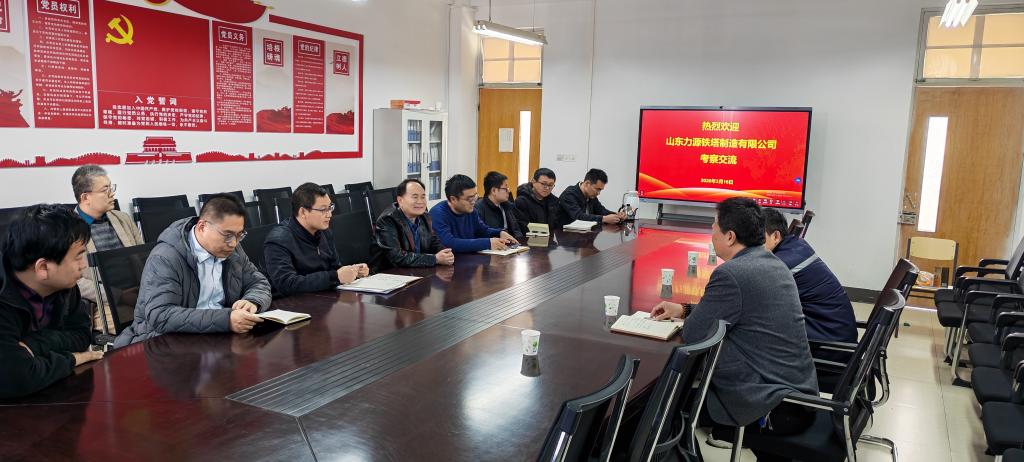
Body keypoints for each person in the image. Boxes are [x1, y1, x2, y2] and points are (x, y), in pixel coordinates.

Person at [650, 198, 818, 459]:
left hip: (771, 403)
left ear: (729, 237)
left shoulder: (733, 273)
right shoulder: (771, 262)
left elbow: (694, 334)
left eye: (714, 226)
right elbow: (734, 308)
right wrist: (684, 309)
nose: (711, 232)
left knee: (665, 404)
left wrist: (690, 318)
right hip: (797, 394)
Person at [113, 195, 272, 347]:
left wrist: (252, 301)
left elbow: (259, 282)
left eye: (239, 235)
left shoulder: (233, 249)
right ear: (202, 227)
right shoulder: (166, 257)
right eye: (227, 235)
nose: (233, 243)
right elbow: (161, 315)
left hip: (217, 336)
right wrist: (226, 319)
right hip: (166, 340)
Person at [0, 204, 103, 399]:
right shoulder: (4, 295)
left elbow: (82, 336)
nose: (83, 265)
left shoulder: (64, 286)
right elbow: (15, 377)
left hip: (54, 395)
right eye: (78, 256)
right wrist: (73, 359)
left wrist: (34, 345)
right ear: (43, 268)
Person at [763, 208, 857, 344]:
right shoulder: (797, 245)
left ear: (776, 236)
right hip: (835, 331)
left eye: (758, 238)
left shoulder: (783, 264)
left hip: (829, 343)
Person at [71, 165, 145, 333]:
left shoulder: (123, 219)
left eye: (111, 188)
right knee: (142, 328)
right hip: (104, 303)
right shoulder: (68, 230)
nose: (112, 194)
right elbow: (75, 282)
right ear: (86, 197)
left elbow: (144, 259)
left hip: (140, 295)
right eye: (105, 190)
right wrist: (120, 296)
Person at [264, 183, 369, 297]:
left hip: (324, 296)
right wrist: (335, 277)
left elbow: (334, 267)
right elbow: (287, 284)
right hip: (293, 302)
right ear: (303, 212)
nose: (329, 214)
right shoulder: (278, 240)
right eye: (323, 209)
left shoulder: (324, 231)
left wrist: (353, 271)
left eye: (330, 207)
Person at [375, 179, 454, 267]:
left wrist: (445, 253)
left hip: (417, 270)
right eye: (415, 197)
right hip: (390, 272)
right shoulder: (387, 220)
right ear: (400, 200)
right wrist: (435, 259)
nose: (420, 202)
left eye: (423, 197)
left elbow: (434, 242)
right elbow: (397, 257)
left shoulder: (425, 216)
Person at [429, 174, 517, 253]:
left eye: (475, 196)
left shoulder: (471, 211)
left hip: (470, 260)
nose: (474, 202)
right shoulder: (438, 214)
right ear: (453, 199)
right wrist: (487, 243)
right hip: (450, 262)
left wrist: (499, 233)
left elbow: (482, 230)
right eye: (470, 199)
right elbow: (449, 243)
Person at [558, 168, 625, 225]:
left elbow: (601, 210)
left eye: (600, 190)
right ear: (587, 184)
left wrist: (617, 215)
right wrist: (603, 219)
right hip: (566, 234)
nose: (598, 193)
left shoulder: (591, 195)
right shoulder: (569, 194)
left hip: (584, 233)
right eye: (597, 189)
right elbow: (579, 216)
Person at [474, 171, 523, 239]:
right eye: (505, 189)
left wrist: (519, 242)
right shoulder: (478, 208)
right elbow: (480, 234)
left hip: (511, 244)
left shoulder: (507, 206)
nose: (508, 191)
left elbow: (516, 231)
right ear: (494, 190)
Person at [513, 168, 561, 234]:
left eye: (550, 185)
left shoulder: (554, 202)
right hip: (527, 238)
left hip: (549, 238)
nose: (547, 188)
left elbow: (556, 225)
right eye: (543, 184)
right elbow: (522, 226)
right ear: (533, 181)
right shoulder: (522, 201)